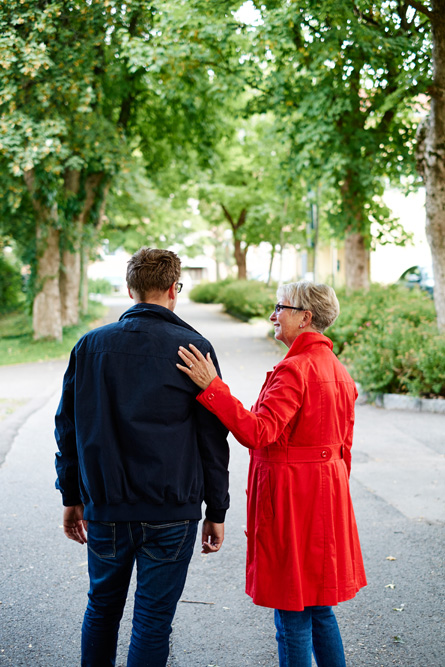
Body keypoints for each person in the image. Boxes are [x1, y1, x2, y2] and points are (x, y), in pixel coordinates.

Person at [55, 247, 229, 667]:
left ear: (130, 288)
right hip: (172, 510)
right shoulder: (193, 348)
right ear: (174, 289)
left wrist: (71, 496)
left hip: (106, 507)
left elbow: (68, 428)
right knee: (153, 621)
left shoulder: (90, 346)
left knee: (101, 610)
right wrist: (216, 509)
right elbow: (212, 435)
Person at [177, 280, 367, 667]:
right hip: (325, 501)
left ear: (305, 317)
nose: (272, 315)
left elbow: (257, 432)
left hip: (293, 500)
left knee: (291, 612)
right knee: (318, 608)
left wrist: (213, 388)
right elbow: (344, 450)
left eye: (280, 308)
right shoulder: (337, 369)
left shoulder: (295, 369)